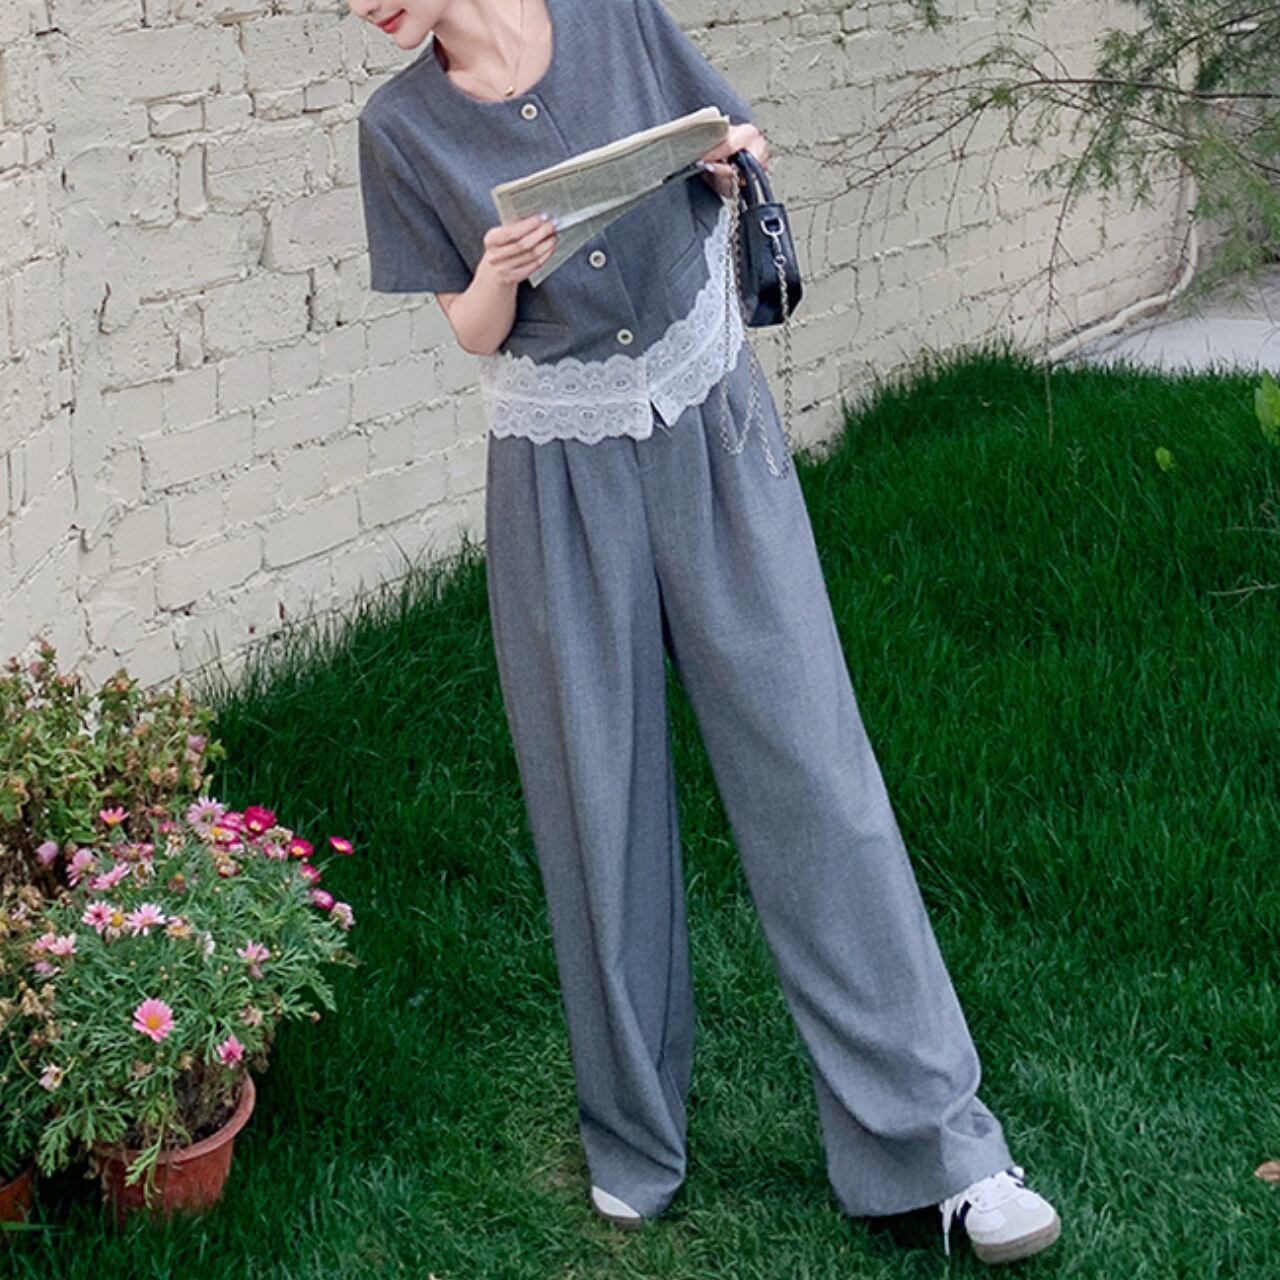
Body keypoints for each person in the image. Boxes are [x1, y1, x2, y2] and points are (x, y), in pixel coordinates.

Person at [348, 0, 1062, 1264]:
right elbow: (466, 326)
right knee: (594, 802)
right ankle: (633, 1135)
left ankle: (942, 1148)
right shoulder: (397, 126)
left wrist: (732, 160)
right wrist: (499, 272)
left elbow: (729, 136)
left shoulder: (610, 14)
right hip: (556, 469)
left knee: (813, 769)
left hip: (708, 419)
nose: (360, 5)